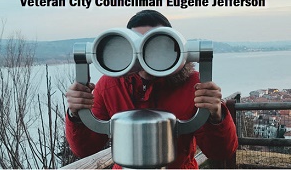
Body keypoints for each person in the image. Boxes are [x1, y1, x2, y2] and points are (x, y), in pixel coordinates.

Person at [65, 10, 238, 169]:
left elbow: (221, 152)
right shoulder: (109, 85)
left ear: (177, 47)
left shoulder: (194, 85)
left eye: (156, 44)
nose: (144, 54)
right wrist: (76, 114)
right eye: (136, 44)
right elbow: (85, 148)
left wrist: (216, 115)